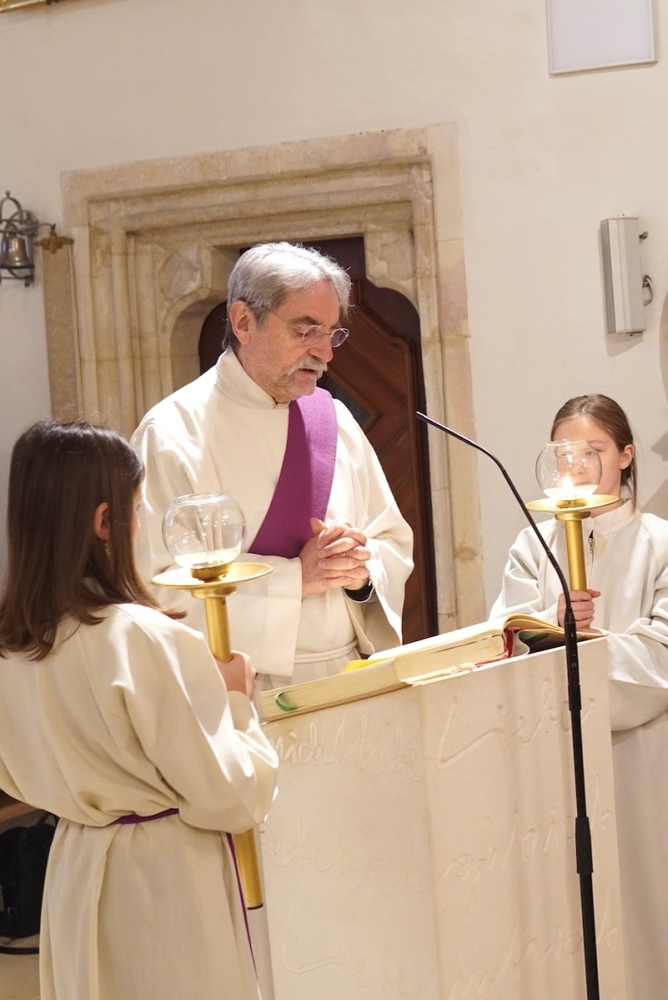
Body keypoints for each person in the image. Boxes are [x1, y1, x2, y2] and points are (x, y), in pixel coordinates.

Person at [0, 419, 278, 1000]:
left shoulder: (11, 645)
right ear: (106, 521)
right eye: (137, 507)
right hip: (164, 879)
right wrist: (234, 698)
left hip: (74, 868)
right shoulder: (143, 638)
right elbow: (230, 798)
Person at [131, 241, 414, 689]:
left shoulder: (334, 419)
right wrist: (296, 579)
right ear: (244, 322)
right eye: (306, 331)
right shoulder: (171, 434)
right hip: (241, 688)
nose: (325, 353)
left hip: (346, 676)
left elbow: (391, 541)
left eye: (331, 333)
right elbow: (154, 589)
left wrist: (361, 570)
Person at [490, 393, 668, 1000]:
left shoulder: (659, 542)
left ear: (625, 455)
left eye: (592, 452)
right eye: (564, 457)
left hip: (640, 758)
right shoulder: (533, 546)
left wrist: (588, 649)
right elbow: (504, 637)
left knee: (644, 910)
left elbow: (661, 656)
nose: (577, 468)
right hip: (554, 756)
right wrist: (551, 622)